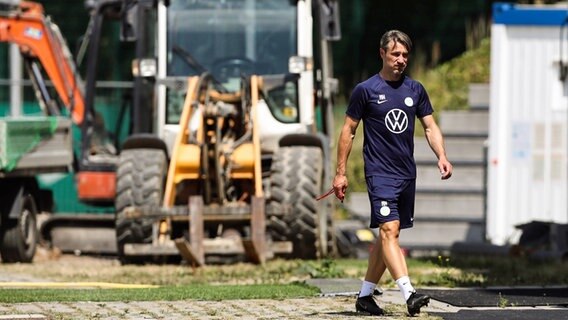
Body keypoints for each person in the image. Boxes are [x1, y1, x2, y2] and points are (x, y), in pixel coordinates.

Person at [332, 29, 453, 316]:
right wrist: (340, 173)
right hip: (379, 173)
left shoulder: (415, 89)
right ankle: (409, 294)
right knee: (390, 230)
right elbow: (348, 131)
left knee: (386, 238)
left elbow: (429, 127)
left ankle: (364, 298)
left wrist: (442, 156)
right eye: (395, 54)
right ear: (383, 54)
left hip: (405, 175)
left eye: (405, 55)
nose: (400, 60)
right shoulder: (366, 90)